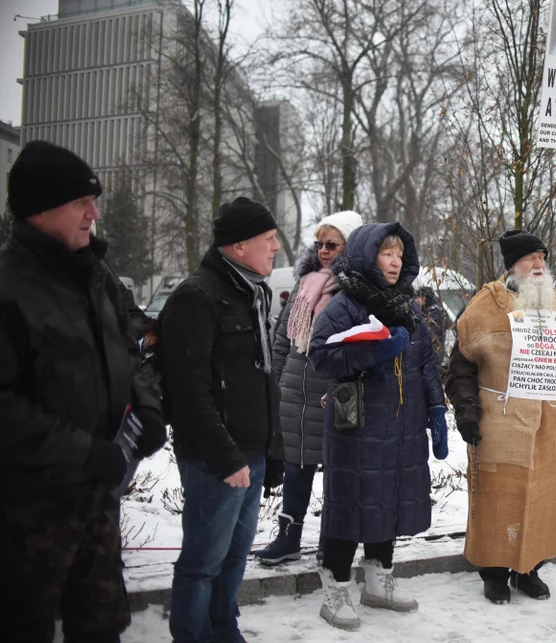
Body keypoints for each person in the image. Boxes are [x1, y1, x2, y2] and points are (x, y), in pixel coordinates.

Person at [0, 141, 167, 641]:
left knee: (100, 627)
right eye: (81, 202)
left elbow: (125, 355)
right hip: (26, 517)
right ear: (39, 210)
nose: (94, 213)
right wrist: (85, 454)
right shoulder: (9, 289)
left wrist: (150, 408)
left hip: (97, 508)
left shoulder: (94, 277)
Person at [160, 196, 287, 642]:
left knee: (234, 558)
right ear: (237, 246)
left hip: (250, 455)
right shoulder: (197, 297)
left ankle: (223, 628)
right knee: (202, 563)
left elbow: (261, 379)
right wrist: (226, 456)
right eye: (268, 239)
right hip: (216, 461)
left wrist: (272, 452)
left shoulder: (254, 294)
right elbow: (188, 393)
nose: (276, 247)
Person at [308, 222, 447, 628]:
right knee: (351, 503)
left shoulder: (409, 305)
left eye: (400, 255)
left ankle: (377, 578)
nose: (395, 261)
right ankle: (334, 587)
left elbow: (425, 364)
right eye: (387, 253)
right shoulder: (345, 304)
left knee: (389, 502)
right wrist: (374, 349)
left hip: (402, 425)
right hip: (359, 425)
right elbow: (321, 355)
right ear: (368, 256)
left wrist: (436, 409)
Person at [445, 229, 556, 604]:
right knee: (498, 498)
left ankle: (529, 568)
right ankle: (494, 572)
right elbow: (460, 367)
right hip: (500, 421)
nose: (539, 264)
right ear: (511, 266)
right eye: (530, 258)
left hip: (551, 424)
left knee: (544, 497)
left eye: (542, 257)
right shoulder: (486, 305)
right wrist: (467, 411)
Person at [255, 210, 364, 566]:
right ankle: (288, 537)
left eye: (332, 244)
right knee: (295, 467)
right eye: (319, 244)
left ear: (350, 247)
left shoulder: (356, 292)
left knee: (337, 468)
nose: (323, 251)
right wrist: (276, 380)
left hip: (330, 394)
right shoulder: (305, 285)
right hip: (294, 394)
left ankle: (331, 541)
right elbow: (282, 340)